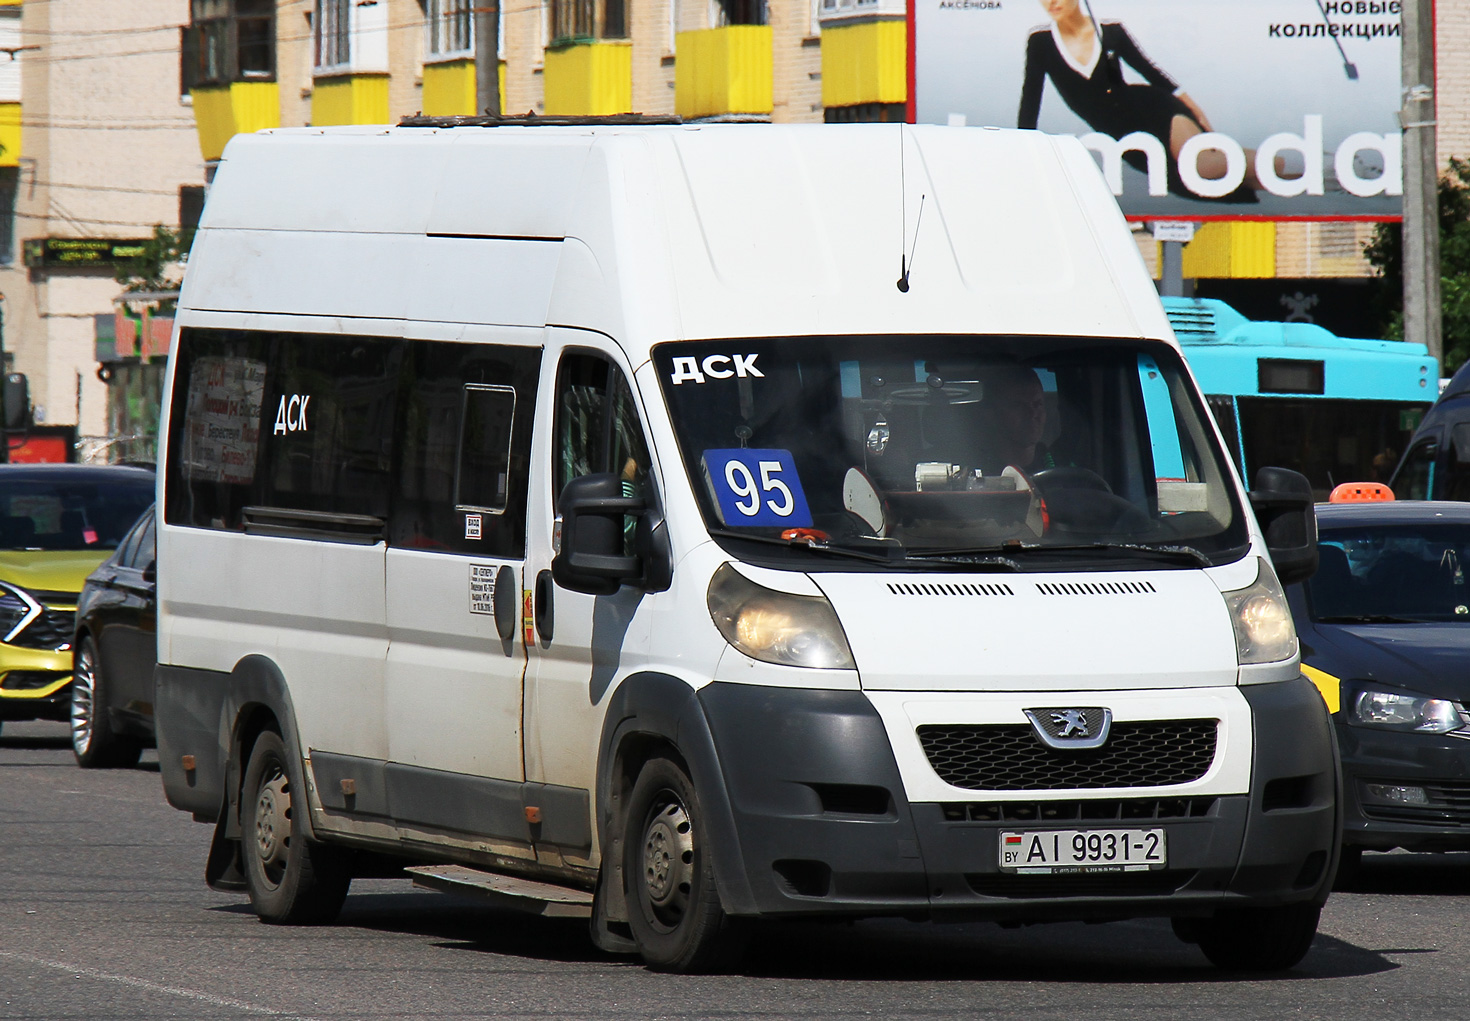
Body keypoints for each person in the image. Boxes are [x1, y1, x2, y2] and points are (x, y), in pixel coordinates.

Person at [1017, 0, 1273, 201]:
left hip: (1154, 108)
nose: (1052, 2)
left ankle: (1284, 166)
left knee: (1201, 168)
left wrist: (1192, 106)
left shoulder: (1111, 31)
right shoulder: (1040, 42)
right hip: (1125, 136)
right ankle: (1287, 170)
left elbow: (1149, 71)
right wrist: (1020, 149)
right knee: (1211, 183)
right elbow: (1031, 99)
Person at [978, 365, 1057, 475]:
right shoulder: (973, 470)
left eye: (1037, 404)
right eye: (1019, 405)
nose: (1032, 413)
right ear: (990, 414)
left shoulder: (1062, 466)